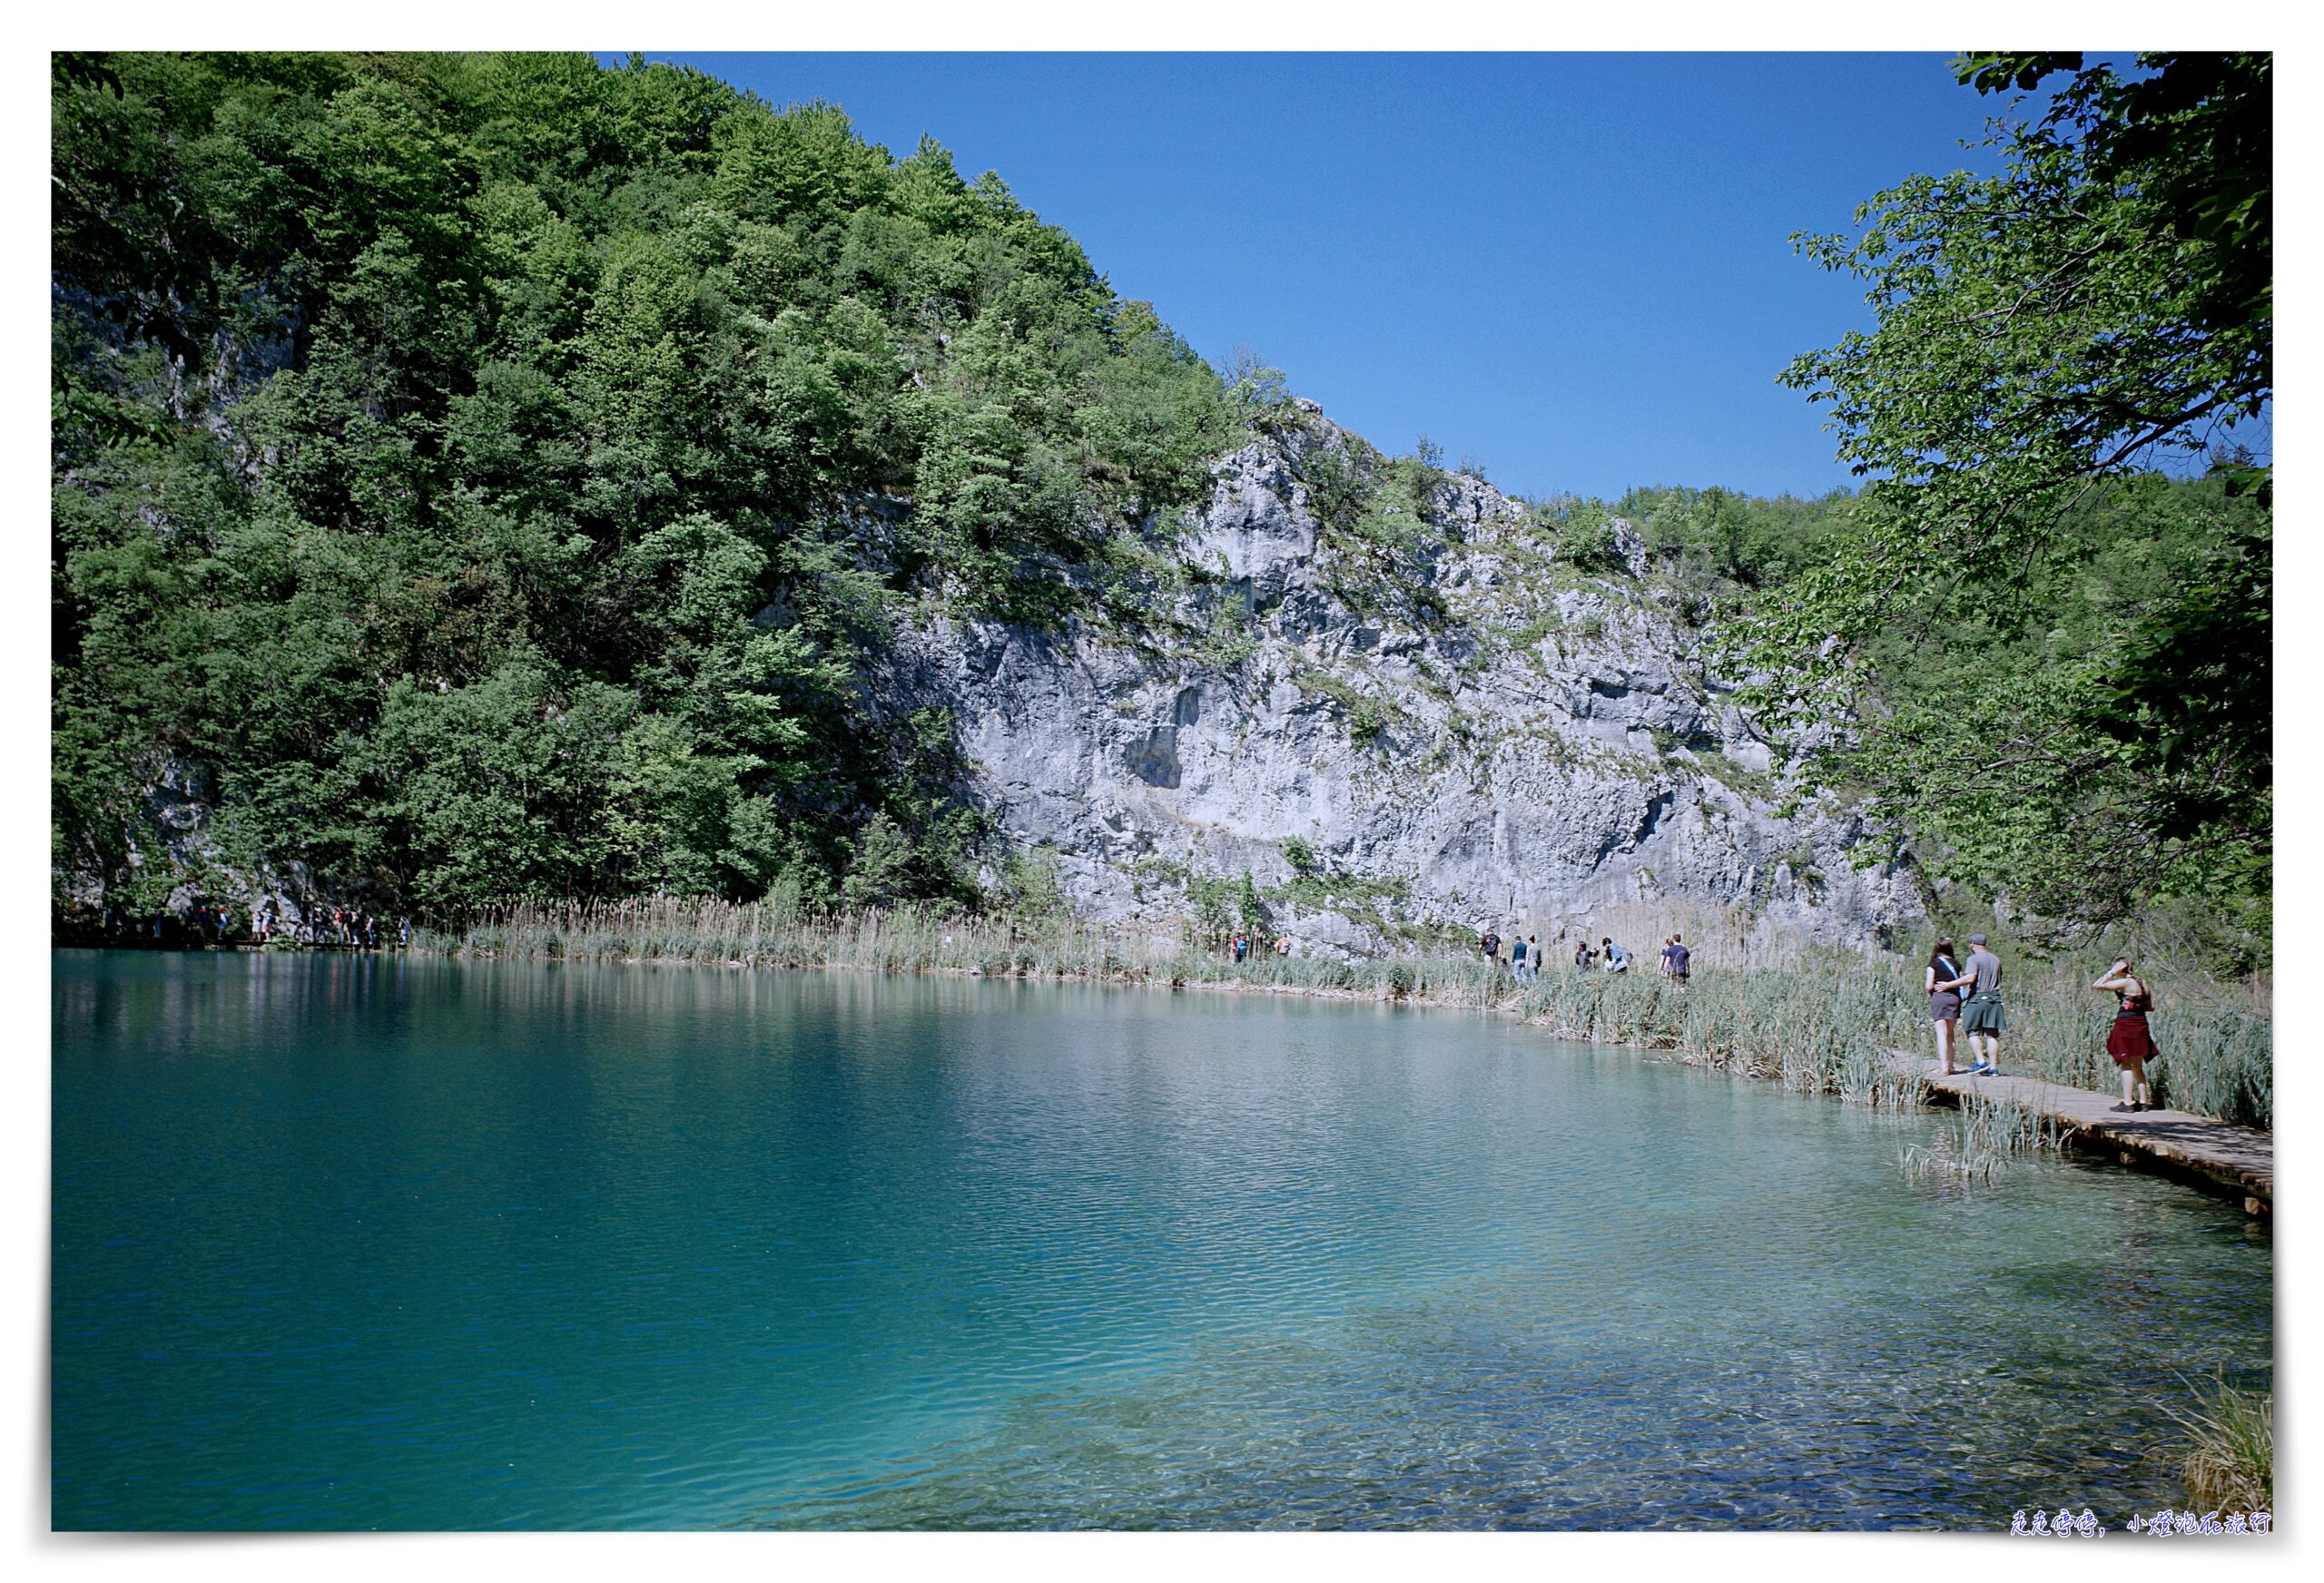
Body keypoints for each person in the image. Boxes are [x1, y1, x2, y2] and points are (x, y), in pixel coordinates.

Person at [2093, 957, 2156, 1112]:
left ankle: (2128, 1103)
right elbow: (2150, 1007)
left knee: (2125, 1063)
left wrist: (2112, 972)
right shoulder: (2143, 983)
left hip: (2126, 1025)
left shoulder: (2127, 982)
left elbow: (2097, 985)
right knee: (2138, 1065)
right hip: (2141, 1023)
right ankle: (2143, 1102)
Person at [1958, 934, 2004, 1076]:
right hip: (1994, 999)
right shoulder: (1996, 959)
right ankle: (1993, 1067)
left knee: (1971, 1030)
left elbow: (1971, 978)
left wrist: (1949, 984)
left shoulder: (1973, 959)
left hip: (1977, 999)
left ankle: (1980, 1062)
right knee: (1992, 1034)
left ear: (1972, 944)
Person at [1925, 937, 1971, 1075]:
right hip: (1954, 998)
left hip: (1939, 998)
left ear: (1937, 948)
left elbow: (1929, 985)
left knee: (1941, 1033)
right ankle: (1951, 1066)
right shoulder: (1956, 964)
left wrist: (1930, 993)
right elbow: (1961, 981)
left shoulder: (1933, 963)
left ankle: (1944, 1067)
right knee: (1950, 1034)